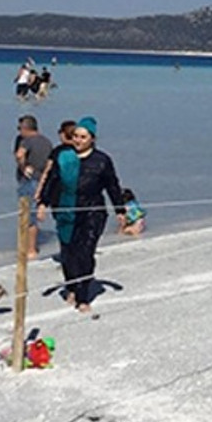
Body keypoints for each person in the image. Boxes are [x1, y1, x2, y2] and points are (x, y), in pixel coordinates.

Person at [37, 117, 126, 314]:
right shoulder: (63, 155)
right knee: (68, 253)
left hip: (93, 212)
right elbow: (52, 181)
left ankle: (83, 296)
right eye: (76, 136)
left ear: (92, 139)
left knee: (85, 253)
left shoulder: (102, 160)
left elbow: (112, 185)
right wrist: (43, 203)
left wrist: (120, 210)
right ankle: (71, 286)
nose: (78, 140)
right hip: (66, 210)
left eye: (83, 137)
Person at [13, 115, 53, 258]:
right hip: (41, 180)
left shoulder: (27, 140)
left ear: (25, 128)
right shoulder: (46, 141)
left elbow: (19, 155)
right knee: (33, 215)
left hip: (29, 180)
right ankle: (31, 247)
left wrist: (23, 167)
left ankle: (29, 249)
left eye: (19, 128)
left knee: (27, 216)